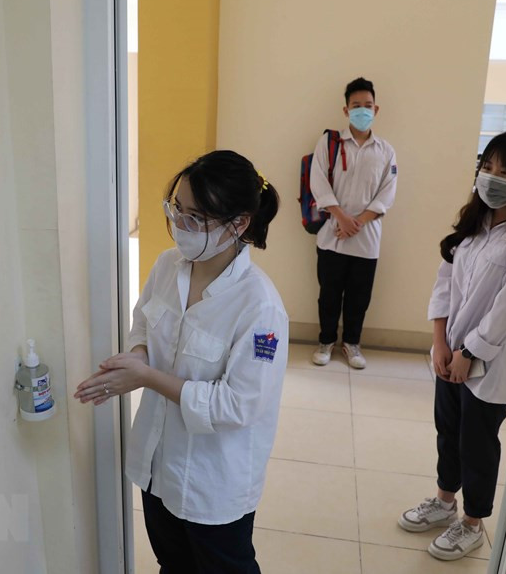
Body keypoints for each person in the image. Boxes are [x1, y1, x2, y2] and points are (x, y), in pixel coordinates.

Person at [75, 150, 287, 574]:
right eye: (177, 210)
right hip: (158, 463)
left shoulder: (260, 307)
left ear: (239, 224)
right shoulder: (168, 266)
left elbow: (238, 405)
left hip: (214, 482)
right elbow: (143, 324)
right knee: (172, 563)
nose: (180, 227)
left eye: (196, 218)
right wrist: (133, 359)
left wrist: (147, 377)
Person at [398, 130, 506, 561]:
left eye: (505, 172)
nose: (492, 178)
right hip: (450, 353)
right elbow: (445, 282)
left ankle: (472, 523)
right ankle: (444, 501)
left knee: (478, 441)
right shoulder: (476, 222)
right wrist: (439, 343)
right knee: (448, 430)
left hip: (493, 361)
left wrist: (471, 354)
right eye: (487, 168)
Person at [310, 77, 397, 369]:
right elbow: (318, 182)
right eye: (356, 106)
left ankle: (352, 344)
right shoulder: (329, 142)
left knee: (359, 299)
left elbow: (387, 193)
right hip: (331, 235)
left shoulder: (386, 151)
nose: (362, 110)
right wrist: (342, 218)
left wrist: (356, 222)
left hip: (366, 240)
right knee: (329, 296)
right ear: (346, 110)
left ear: (376, 109)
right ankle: (325, 342)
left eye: (367, 105)